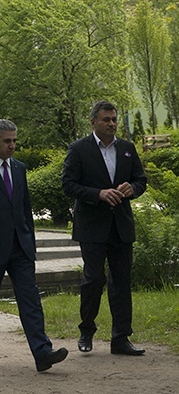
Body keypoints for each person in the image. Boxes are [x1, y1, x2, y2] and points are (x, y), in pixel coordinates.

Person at [0, 119, 68, 372]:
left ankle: (42, 352)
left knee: (30, 299)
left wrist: (29, 244)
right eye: (7, 141)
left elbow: (23, 208)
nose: (12, 146)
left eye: (14, 141)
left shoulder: (19, 168)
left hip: (19, 248)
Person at [62, 101, 147, 356]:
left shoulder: (127, 149)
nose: (111, 124)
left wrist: (133, 189)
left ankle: (121, 338)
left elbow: (141, 180)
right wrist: (97, 194)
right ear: (93, 122)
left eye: (114, 119)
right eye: (106, 120)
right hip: (92, 227)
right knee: (94, 279)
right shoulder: (78, 149)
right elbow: (68, 185)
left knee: (121, 282)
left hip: (121, 226)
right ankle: (86, 330)